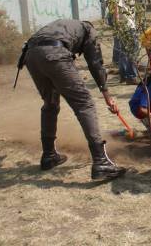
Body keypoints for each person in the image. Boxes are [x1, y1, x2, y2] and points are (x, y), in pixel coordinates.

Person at [23, 19, 126, 180]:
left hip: (31, 55)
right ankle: (101, 162)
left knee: (50, 103)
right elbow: (95, 62)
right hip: (54, 53)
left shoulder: (64, 25)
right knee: (84, 104)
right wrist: (106, 94)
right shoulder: (88, 29)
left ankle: (49, 155)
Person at [115, 0, 139, 84]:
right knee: (133, 49)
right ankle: (131, 75)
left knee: (125, 50)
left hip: (130, 23)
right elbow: (117, 6)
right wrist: (117, 23)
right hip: (126, 24)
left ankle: (124, 74)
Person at [106, 0, 124, 70]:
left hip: (114, 17)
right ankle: (117, 61)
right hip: (116, 17)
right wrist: (117, 20)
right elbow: (115, 7)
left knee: (118, 40)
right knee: (118, 40)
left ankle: (116, 60)